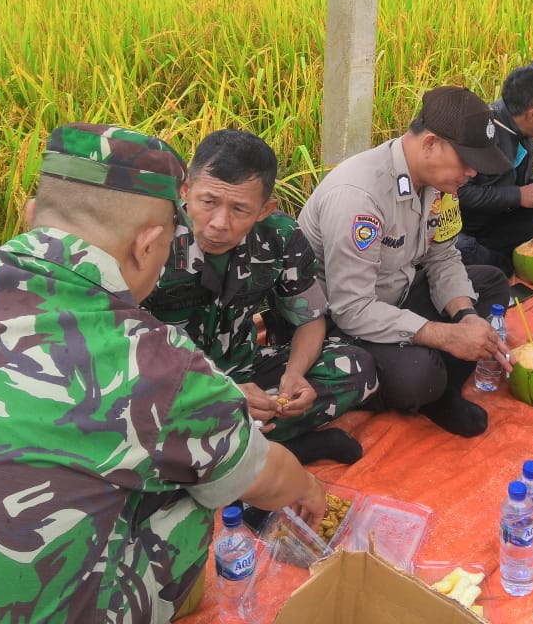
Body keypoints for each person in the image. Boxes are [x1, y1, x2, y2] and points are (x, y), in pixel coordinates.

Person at [0, 123, 325, 624]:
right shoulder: (158, 363)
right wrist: (305, 486)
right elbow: (267, 478)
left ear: (32, 214)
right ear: (148, 245)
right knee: (192, 492)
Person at [145, 129, 378, 466]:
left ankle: (230, 453)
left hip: (245, 371)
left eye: (240, 209)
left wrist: (295, 376)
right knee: (129, 425)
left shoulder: (279, 236)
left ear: (265, 209)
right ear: (186, 190)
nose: (220, 223)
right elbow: (116, 354)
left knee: (357, 367)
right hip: (175, 390)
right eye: (207, 202)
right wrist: (216, 396)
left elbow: (310, 319)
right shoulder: (150, 238)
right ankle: (282, 449)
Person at [297, 86, 512, 439]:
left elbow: (442, 255)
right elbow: (351, 309)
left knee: (490, 283)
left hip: (396, 294)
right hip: (341, 322)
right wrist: (445, 336)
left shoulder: (440, 186)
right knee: (418, 378)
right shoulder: (359, 197)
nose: (472, 173)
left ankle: (444, 387)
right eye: (468, 162)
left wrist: (466, 319)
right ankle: (435, 388)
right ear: (429, 144)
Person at [456, 62, 533, 273]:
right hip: (463, 227)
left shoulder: (524, 135)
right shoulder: (481, 133)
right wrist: (519, 196)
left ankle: (497, 256)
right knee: (464, 249)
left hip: (495, 220)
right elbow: (460, 193)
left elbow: (521, 183)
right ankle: (502, 263)